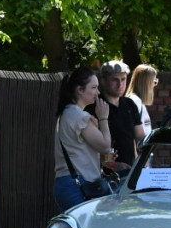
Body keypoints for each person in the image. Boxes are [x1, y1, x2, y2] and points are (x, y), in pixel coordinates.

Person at [53, 67, 113, 211]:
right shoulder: (79, 116)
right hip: (78, 184)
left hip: (67, 183)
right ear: (80, 90)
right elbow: (105, 146)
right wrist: (103, 117)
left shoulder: (66, 113)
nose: (98, 93)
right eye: (94, 87)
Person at [93, 61, 143, 168]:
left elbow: (139, 137)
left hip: (130, 169)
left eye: (123, 79)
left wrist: (141, 161)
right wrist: (111, 166)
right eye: (115, 80)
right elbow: (94, 144)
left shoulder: (130, 104)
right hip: (104, 172)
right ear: (103, 81)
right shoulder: (96, 106)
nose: (120, 84)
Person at [125, 64, 157, 137]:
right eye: (154, 81)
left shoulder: (137, 101)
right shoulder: (135, 101)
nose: (154, 85)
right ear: (147, 83)